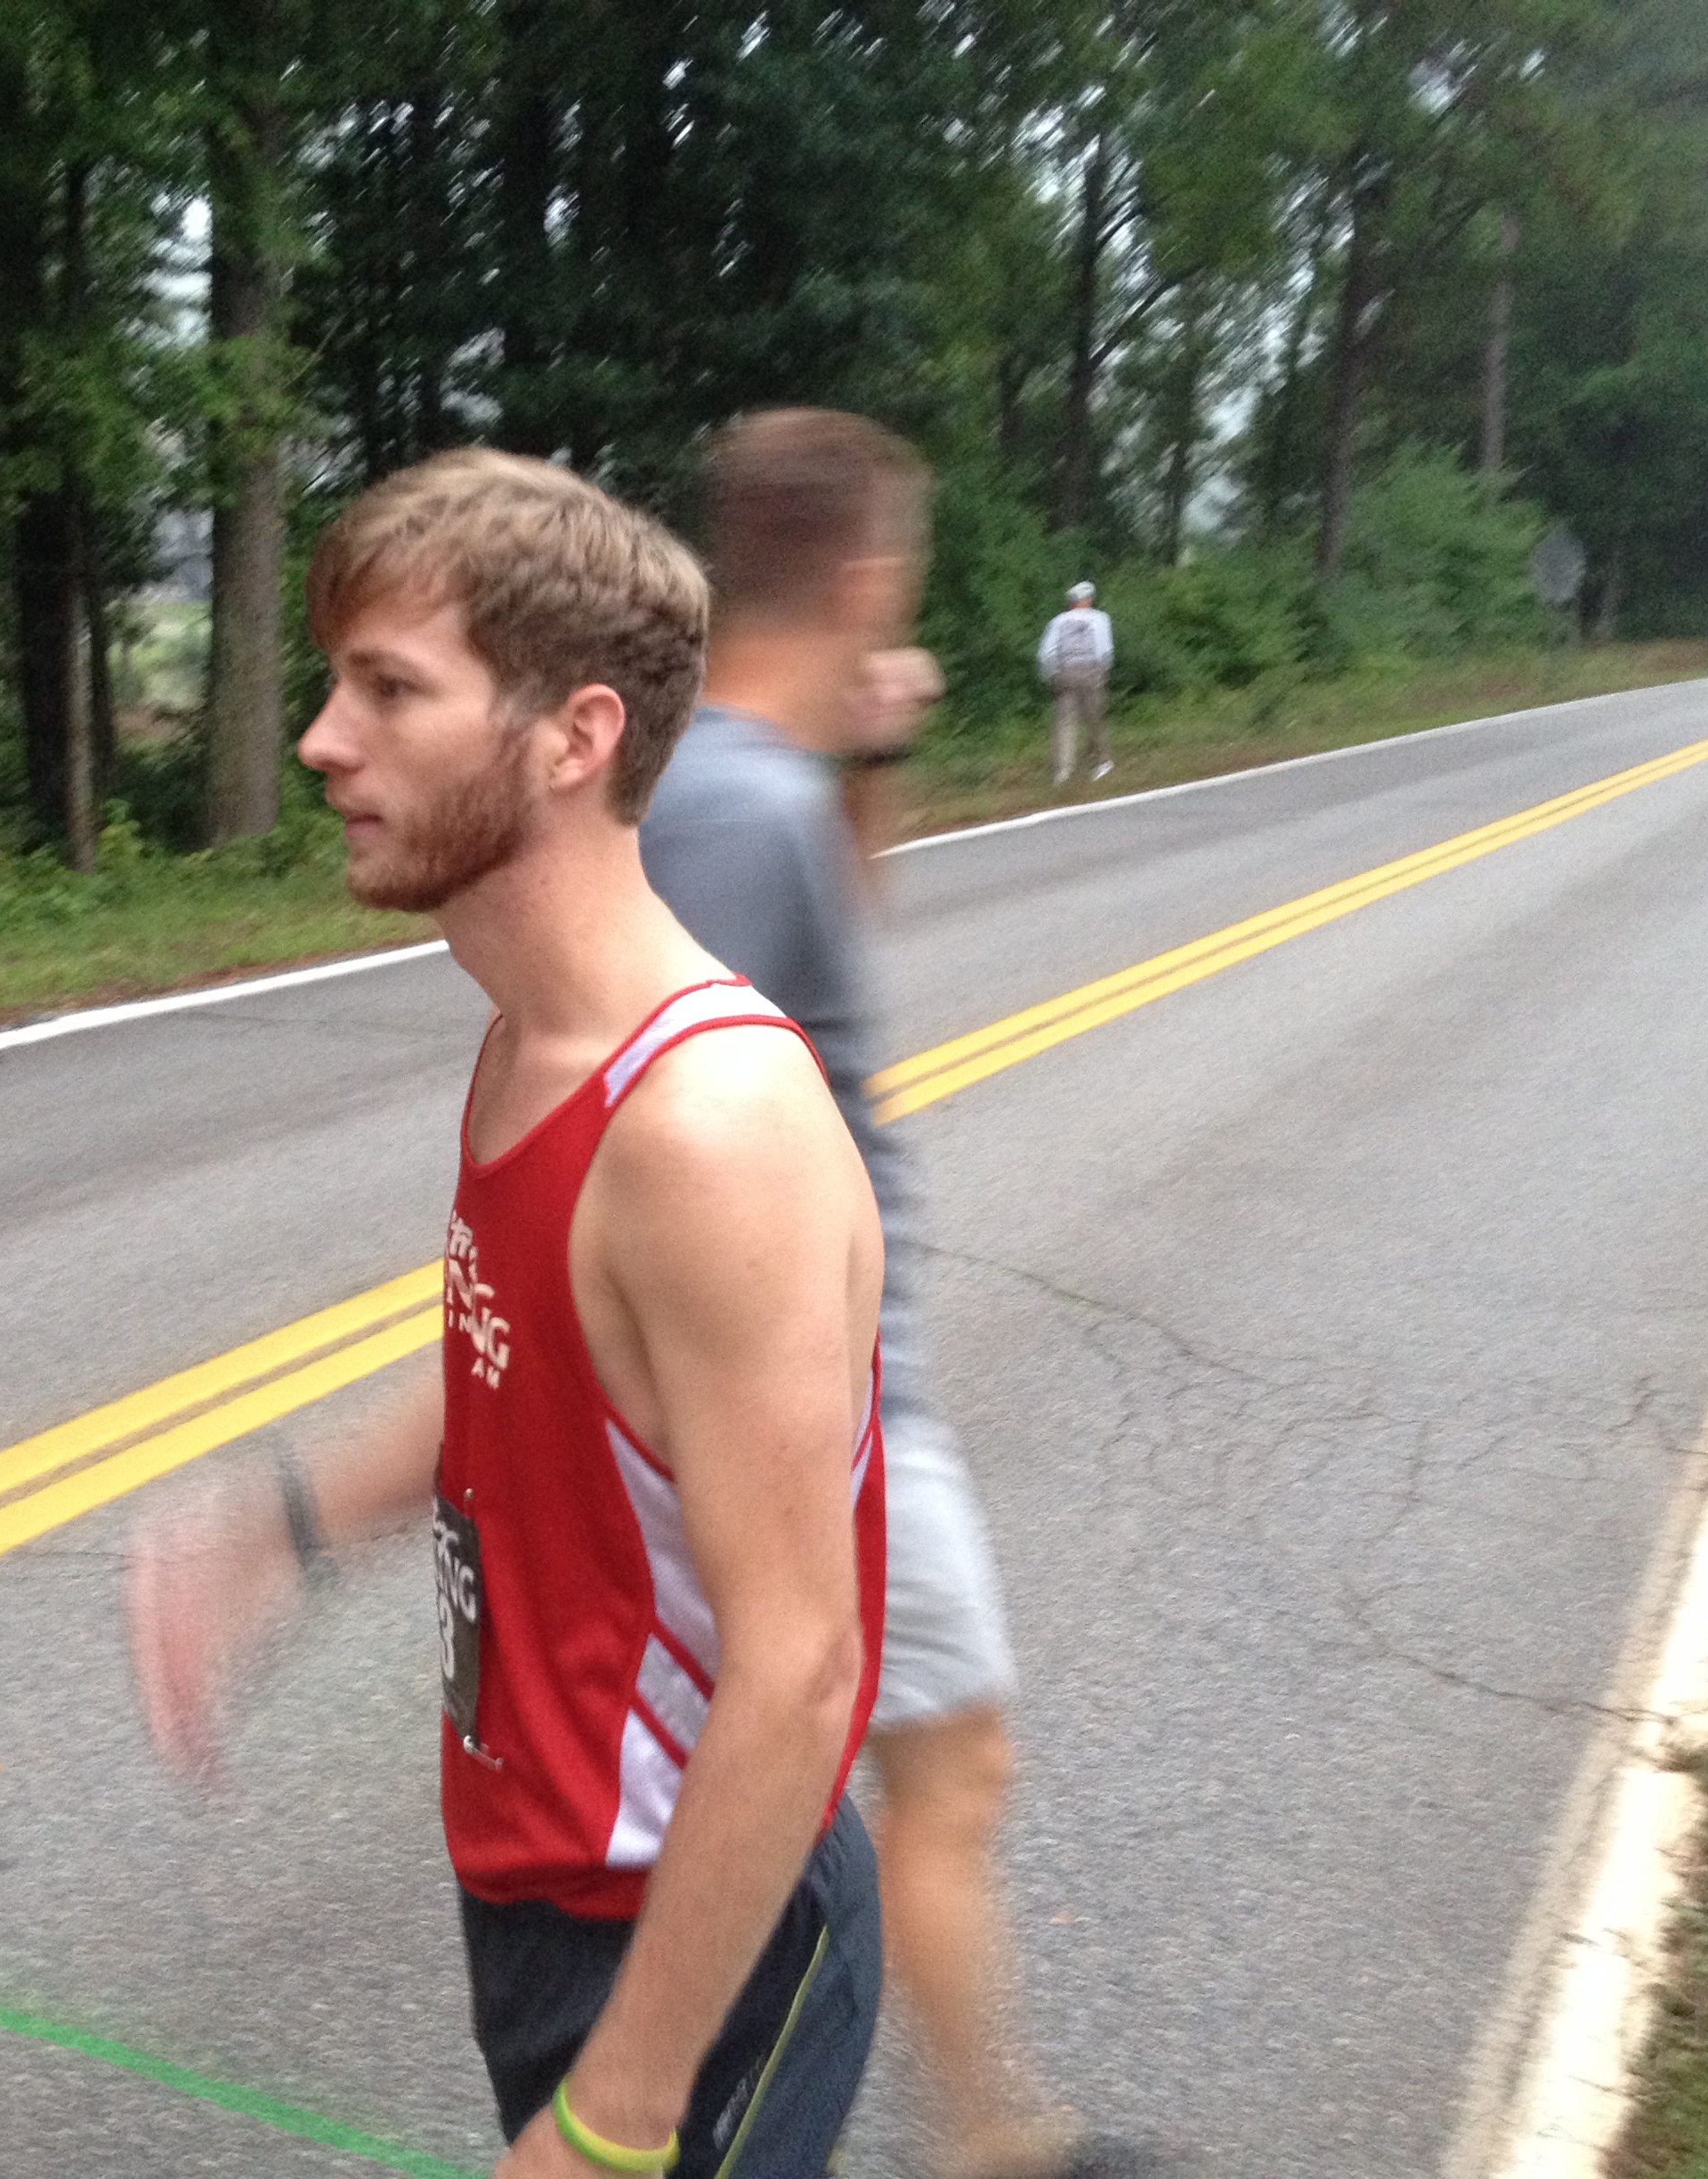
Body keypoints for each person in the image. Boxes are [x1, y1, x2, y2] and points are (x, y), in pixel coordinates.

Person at [126, 449, 892, 2179]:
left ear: (574, 735)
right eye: (336, 684)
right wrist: (277, 1529)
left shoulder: (703, 1130)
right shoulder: (527, 1042)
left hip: (702, 1932)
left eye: (390, 690)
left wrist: (615, 2123)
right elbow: (525, 1376)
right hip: (542, 1886)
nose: (321, 741)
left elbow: (799, 1669)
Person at [643, 409, 1159, 2179]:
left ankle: (941, 2122)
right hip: (825, 1402)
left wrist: (877, 755)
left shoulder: (757, 786)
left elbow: (821, 977)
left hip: (828, 1390)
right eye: (902, 571)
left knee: (879, 1774)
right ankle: (978, 2138)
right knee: (928, 1774)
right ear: (866, 574)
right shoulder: (731, 804)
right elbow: (671, 1106)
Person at [1037, 580, 1113, 786]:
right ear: (1088, 600)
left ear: (1072, 602)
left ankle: (1063, 770)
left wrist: (1051, 675)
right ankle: (1101, 762)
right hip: (1091, 671)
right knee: (1094, 718)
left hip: (1065, 673)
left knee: (1065, 721)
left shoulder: (1057, 621)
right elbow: (1105, 649)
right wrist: (1103, 672)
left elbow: (1046, 653)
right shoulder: (1100, 618)